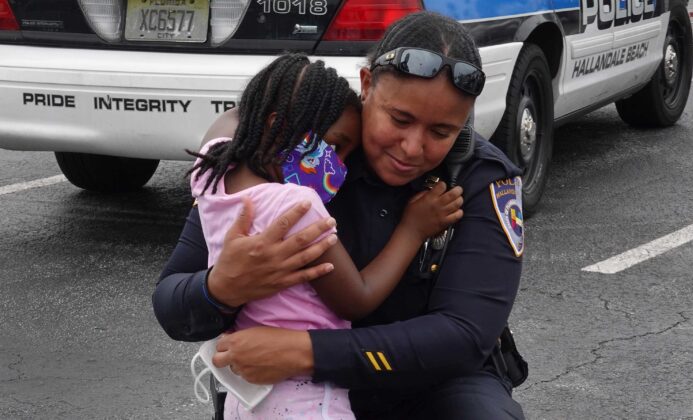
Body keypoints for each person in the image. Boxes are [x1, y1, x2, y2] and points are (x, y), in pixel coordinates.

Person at [153, 11, 526, 419]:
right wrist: (220, 288)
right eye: (399, 119)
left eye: (441, 132)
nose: (412, 147)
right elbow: (172, 305)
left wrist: (306, 352)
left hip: (427, 380)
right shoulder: (299, 157)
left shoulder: (478, 178)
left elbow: (464, 337)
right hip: (289, 384)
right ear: (366, 85)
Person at [186, 53, 463, 418]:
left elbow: (227, 125)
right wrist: (413, 230)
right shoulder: (298, 206)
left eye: (348, 152)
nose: (340, 165)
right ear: (276, 126)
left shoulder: (211, 173)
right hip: (303, 396)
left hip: (245, 393)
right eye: (334, 145)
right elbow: (357, 299)